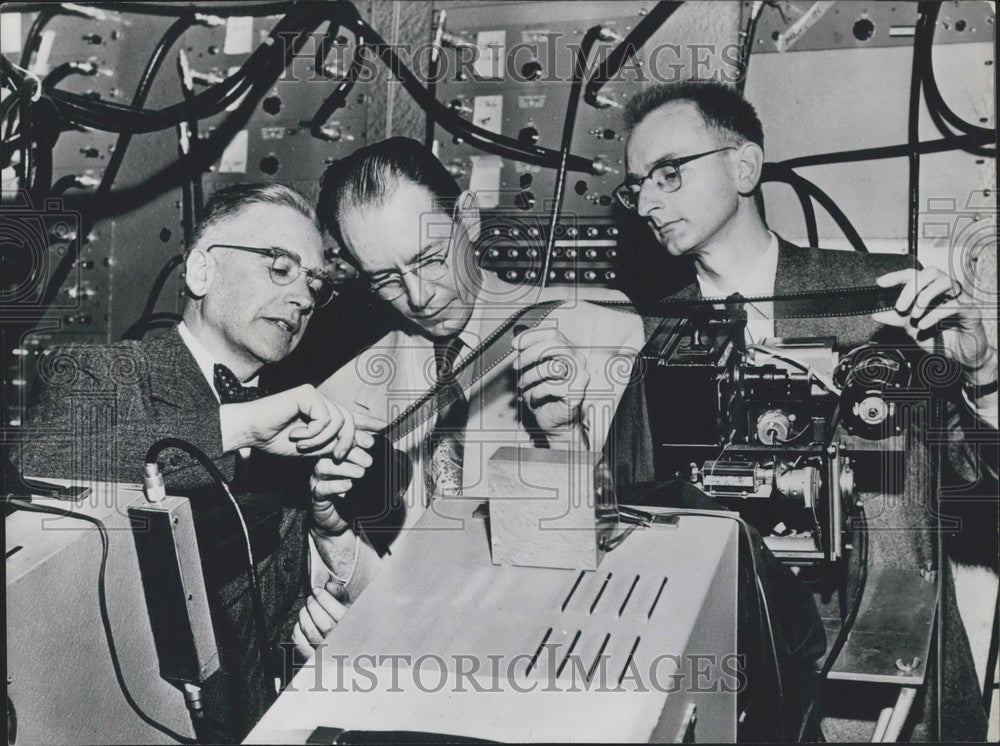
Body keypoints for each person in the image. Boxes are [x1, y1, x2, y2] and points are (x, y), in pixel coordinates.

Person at [615, 80, 998, 741]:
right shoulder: (656, 340)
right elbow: (634, 531)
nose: (648, 201)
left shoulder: (882, 303)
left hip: (902, 707)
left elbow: (982, 499)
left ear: (743, 166)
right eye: (638, 186)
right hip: (741, 699)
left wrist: (982, 372)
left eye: (669, 174)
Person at [17, 183, 376, 741]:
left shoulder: (298, 425)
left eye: (314, 283)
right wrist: (240, 427)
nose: (304, 297)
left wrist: (329, 531)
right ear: (201, 273)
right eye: (281, 267)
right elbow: (42, 459)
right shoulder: (103, 371)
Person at [293, 137, 646, 658]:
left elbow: (623, 565)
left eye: (431, 259)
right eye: (386, 279)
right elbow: (357, 604)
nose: (418, 296)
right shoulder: (343, 397)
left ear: (469, 219)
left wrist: (563, 436)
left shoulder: (599, 334)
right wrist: (335, 539)